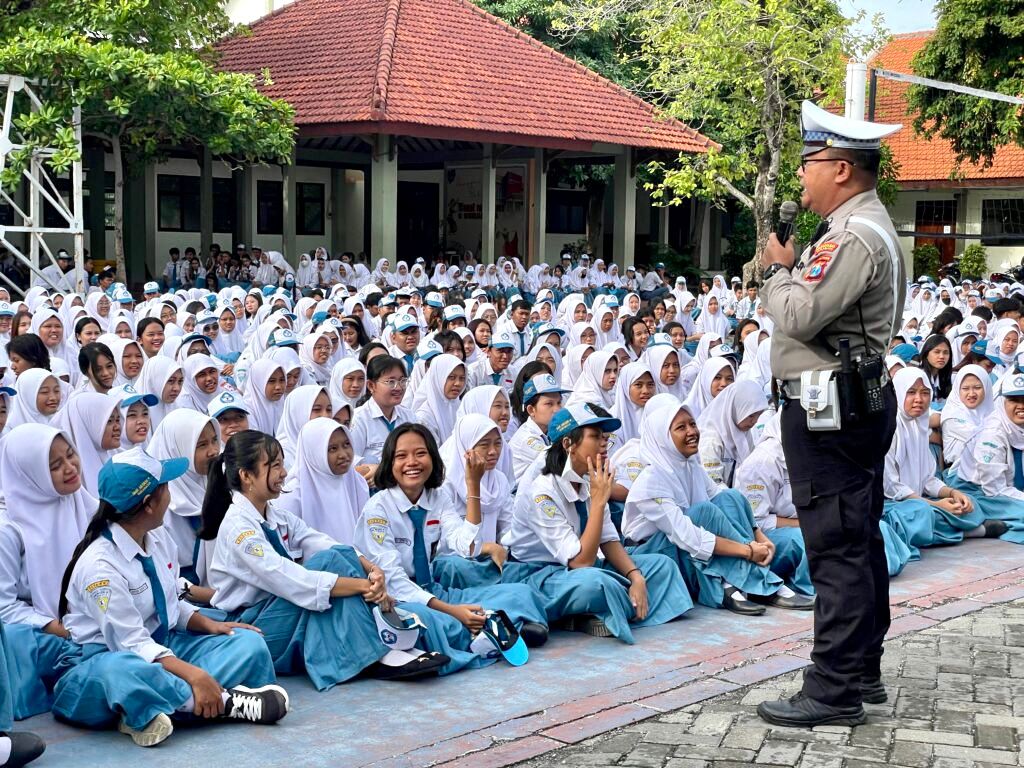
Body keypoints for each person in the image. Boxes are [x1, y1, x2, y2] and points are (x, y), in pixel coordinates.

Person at [757, 100, 905, 727]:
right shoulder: (871, 227)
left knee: (836, 545)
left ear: (841, 168)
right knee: (858, 534)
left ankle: (833, 688)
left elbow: (795, 315)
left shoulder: (850, 237)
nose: (801, 177)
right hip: (855, 401)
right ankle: (859, 667)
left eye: (809, 163)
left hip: (829, 409)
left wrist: (778, 272)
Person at [52, 448, 289, 746]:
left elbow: (169, 604)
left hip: (162, 647)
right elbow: (132, 644)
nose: (169, 493)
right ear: (149, 504)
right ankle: (226, 703)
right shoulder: (100, 568)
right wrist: (194, 675)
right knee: (122, 672)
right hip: (102, 662)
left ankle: (155, 707)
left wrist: (209, 625)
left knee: (247, 644)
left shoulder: (157, 536)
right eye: (164, 487)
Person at [355, 423, 549, 674]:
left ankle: (485, 629)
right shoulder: (378, 509)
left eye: (420, 453)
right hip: (399, 599)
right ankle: (488, 629)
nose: (412, 462)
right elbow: (394, 581)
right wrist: (453, 611)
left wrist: (473, 486)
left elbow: (467, 545)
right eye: (401, 456)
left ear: (433, 458)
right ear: (389, 463)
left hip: (433, 591)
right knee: (432, 622)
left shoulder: (436, 497)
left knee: (521, 594)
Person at [502, 403, 693, 642]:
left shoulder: (588, 474)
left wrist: (635, 576)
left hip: (578, 568)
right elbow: (581, 563)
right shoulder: (541, 489)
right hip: (539, 574)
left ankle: (603, 610)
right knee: (597, 583)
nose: (604, 443)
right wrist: (599, 502)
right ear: (568, 444)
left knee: (662, 566)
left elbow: (608, 539)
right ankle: (594, 611)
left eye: (605, 437)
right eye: (594, 436)